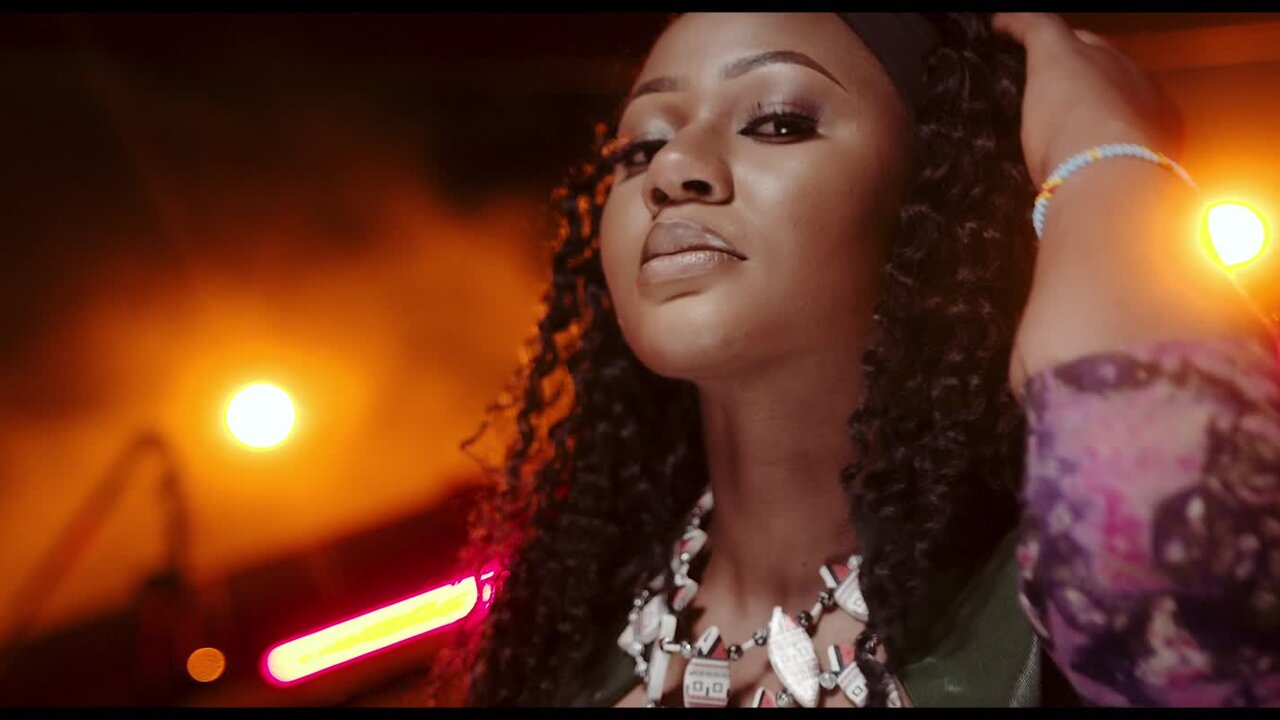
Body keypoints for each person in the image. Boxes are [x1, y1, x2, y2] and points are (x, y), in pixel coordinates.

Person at [425, 12, 1280, 707]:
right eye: (640, 147)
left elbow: (1159, 493)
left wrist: (1102, 145)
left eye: (778, 122)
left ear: (934, 199)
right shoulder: (561, 640)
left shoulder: (1049, 615)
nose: (673, 167)